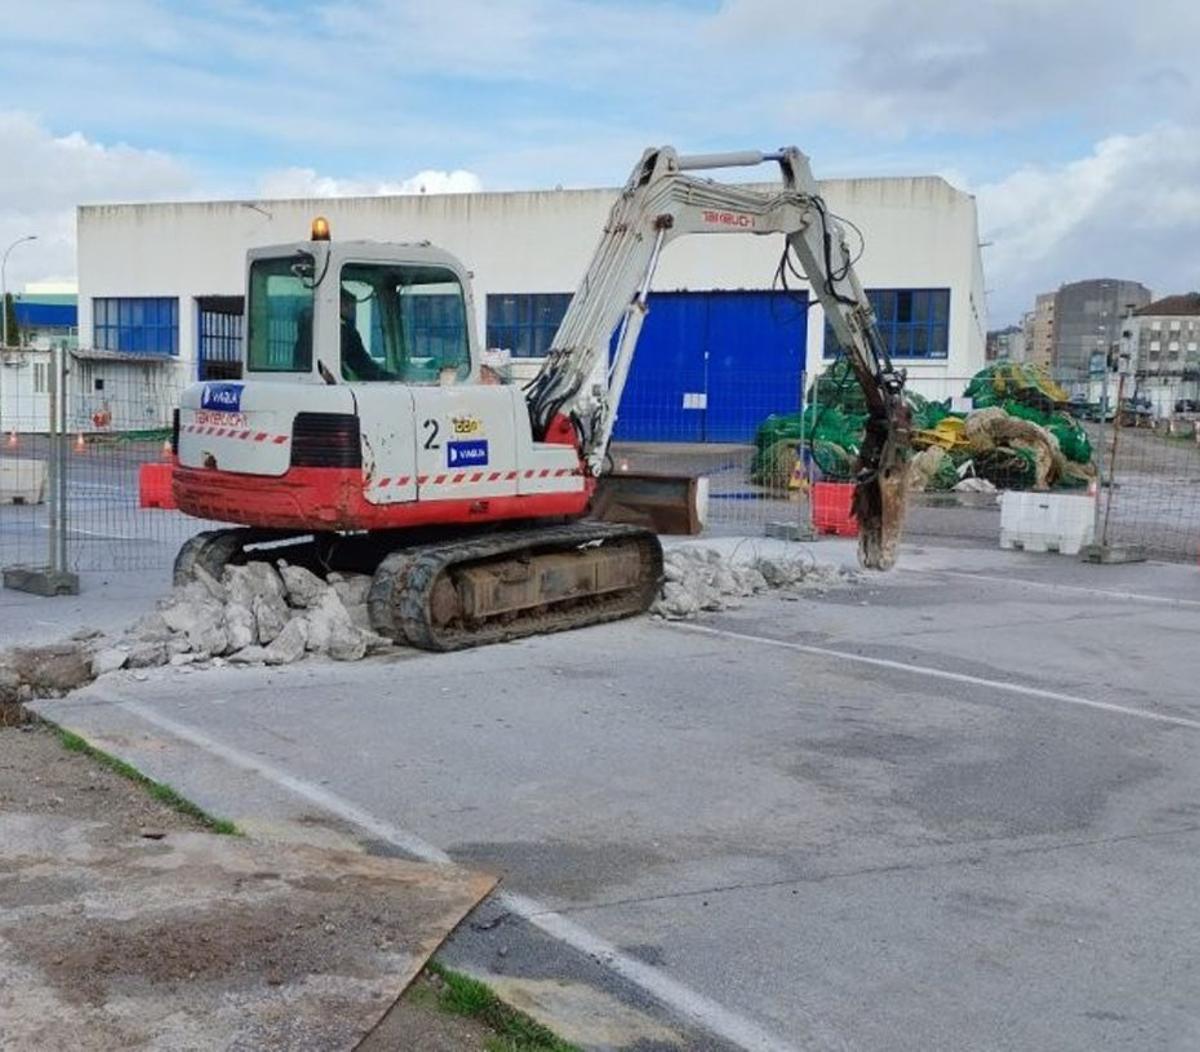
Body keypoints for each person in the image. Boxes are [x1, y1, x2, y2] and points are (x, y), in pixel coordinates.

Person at [340, 286, 395, 381]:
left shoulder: (349, 331)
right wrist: (386, 377)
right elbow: (361, 364)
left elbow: (361, 362)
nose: (352, 311)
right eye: (348, 306)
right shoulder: (347, 332)